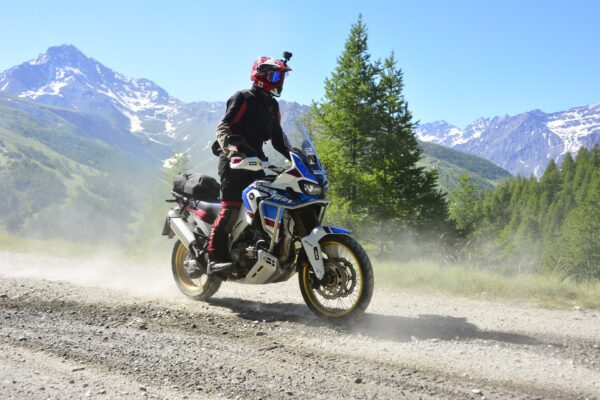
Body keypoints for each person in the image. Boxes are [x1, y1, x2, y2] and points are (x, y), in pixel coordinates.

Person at [207, 54, 293, 273]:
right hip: (234, 161)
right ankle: (215, 259)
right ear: (260, 76)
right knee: (230, 209)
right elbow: (224, 127)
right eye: (275, 76)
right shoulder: (243, 98)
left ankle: (257, 250)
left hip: (257, 162)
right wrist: (233, 151)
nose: (279, 81)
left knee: (268, 203)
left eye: (282, 77)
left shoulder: (272, 105)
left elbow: (278, 139)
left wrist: (296, 156)